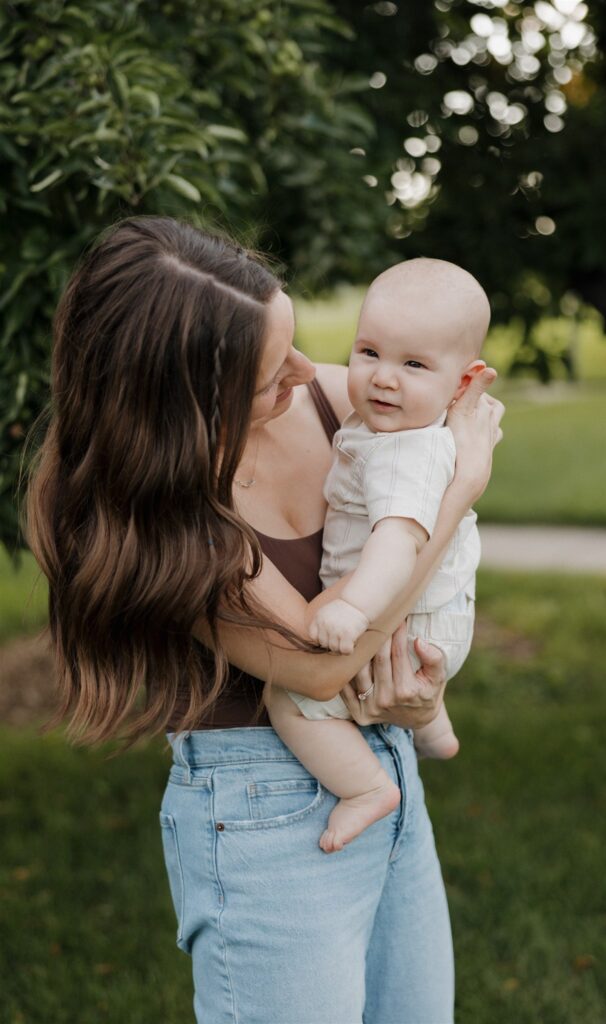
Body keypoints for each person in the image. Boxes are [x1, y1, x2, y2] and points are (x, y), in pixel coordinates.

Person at [24, 217, 503, 1024]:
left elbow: (447, 401)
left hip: (385, 772)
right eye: (267, 373)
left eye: (294, 341)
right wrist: (457, 499)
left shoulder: (321, 398)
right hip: (265, 817)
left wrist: (419, 702)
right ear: (184, 409)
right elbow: (317, 669)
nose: (308, 371)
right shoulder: (163, 524)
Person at [268, 258, 489, 853]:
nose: (383, 378)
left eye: (414, 364)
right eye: (369, 352)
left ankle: (367, 788)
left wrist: (354, 609)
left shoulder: (403, 451)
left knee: (286, 700)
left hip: (401, 621)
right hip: (428, 620)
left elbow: (399, 541)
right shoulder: (394, 427)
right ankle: (433, 724)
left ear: (464, 383)